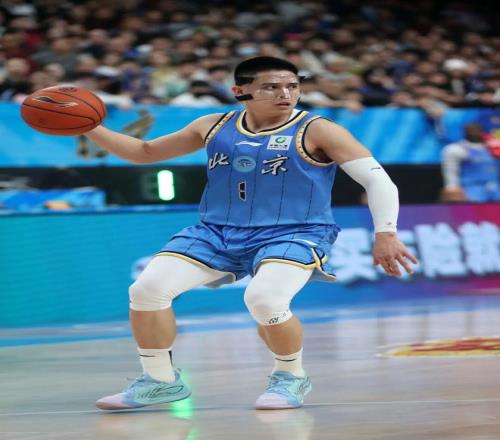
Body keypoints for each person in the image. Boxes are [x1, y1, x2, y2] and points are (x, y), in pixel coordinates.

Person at [85, 56, 417, 410]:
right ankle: (159, 381)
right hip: (216, 231)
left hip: (295, 231)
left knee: (265, 299)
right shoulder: (212, 125)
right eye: (271, 87)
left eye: (292, 86)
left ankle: (290, 377)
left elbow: (378, 181)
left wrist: (386, 233)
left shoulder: (319, 129)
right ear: (240, 91)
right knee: (146, 290)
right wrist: (88, 127)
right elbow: (144, 152)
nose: (285, 94)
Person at [441, 123, 500, 202]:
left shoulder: (494, 147)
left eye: (476, 130)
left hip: (496, 187)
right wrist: (452, 187)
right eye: (470, 131)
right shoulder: (457, 149)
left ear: (482, 131)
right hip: (472, 188)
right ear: (465, 132)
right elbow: (451, 170)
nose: (474, 133)